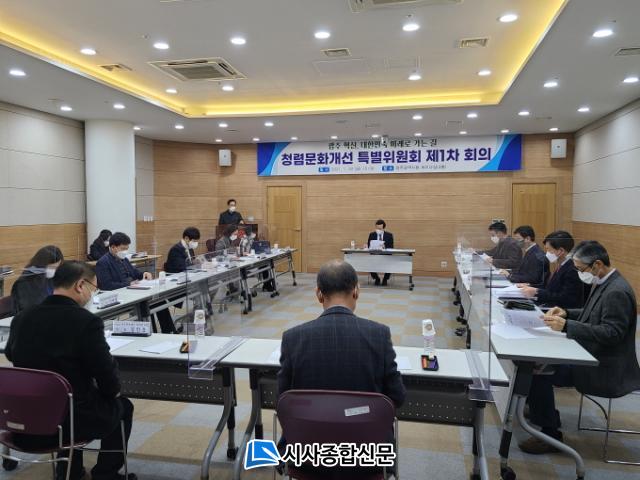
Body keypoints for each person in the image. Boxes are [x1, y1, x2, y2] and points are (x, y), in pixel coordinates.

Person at [5, 261, 137, 480]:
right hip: (69, 423)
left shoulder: (22, 318)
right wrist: (111, 391)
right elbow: (107, 377)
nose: (92, 294)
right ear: (80, 285)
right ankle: (106, 474)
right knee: (122, 406)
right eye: (94, 288)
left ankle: (69, 472)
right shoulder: (86, 322)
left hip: (25, 420)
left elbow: (12, 355)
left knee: (70, 399)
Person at [519, 241, 640, 454]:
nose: (578, 273)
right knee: (536, 362)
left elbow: (612, 333)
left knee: (539, 371)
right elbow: (592, 314)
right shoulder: (605, 282)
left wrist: (567, 326)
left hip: (604, 366)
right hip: (590, 353)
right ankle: (543, 412)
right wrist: (566, 312)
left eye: (580, 269)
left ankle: (550, 434)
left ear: (597, 265)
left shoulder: (616, 292)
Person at [278, 259, 406, 407]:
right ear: (356, 292)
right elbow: (397, 397)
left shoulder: (292, 338)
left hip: (309, 422)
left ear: (318, 294)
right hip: (365, 422)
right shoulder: (379, 334)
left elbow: (283, 399)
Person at [96, 232, 176, 334]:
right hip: (121, 296)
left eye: (127, 249)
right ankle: (149, 332)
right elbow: (106, 286)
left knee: (159, 300)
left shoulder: (124, 259)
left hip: (133, 291)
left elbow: (134, 273)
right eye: (123, 249)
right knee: (145, 304)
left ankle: (169, 331)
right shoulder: (103, 262)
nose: (125, 252)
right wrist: (129, 285)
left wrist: (144, 274)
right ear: (113, 247)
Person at [518, 230, 586, 309]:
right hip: (549, 305)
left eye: (549, 250)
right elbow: (551, 289)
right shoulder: (562, 264)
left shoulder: (572, 269)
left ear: (561, 251)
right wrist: (530, 286)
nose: (547, 253)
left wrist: (537, 292)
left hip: (558, 311)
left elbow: (565, 298)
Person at [11, 245, 64, 314]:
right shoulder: (25, 283)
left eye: (57, 268)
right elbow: (31, 310)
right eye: (52, 267)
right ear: (41, 265)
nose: (55, 271)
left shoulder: (50, 279)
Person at [367, 219, 394, 286]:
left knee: (390, 263)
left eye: (380, 228)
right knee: (369, 263)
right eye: (377, 228)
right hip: (375, 255)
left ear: (383, 227)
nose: (378, 230)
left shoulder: (389, 235)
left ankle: (385, 279)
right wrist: (367, 246)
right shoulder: (372, 234)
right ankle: (377, 278)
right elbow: (369, 245)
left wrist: (385, 246)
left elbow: (391, 247)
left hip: (385, 256)